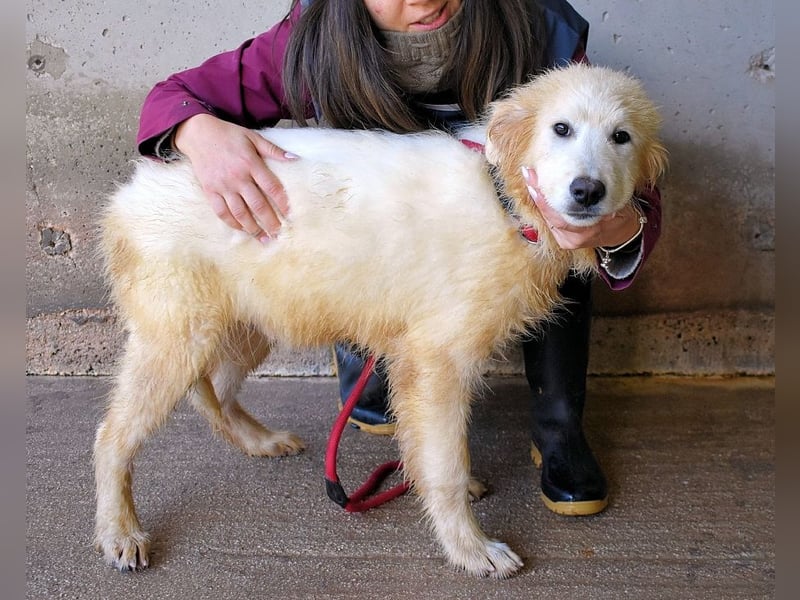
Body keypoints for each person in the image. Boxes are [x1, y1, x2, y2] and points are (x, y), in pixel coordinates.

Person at [136, 0, 662, 517]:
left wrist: (617, 227)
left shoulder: (540, 27)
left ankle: (559, 427)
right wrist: (198, 132)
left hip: (499, 232)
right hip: (383, 242)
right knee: (380, 353)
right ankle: (370, 366)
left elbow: (627, 165)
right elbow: (174, 96)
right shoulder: (316, 35)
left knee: (561, 240)